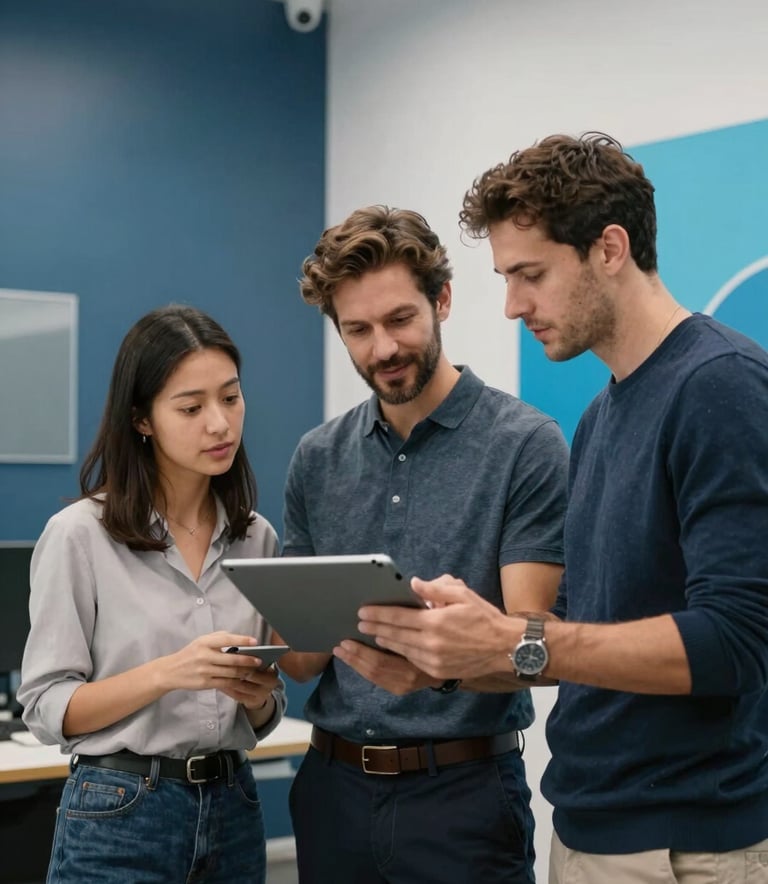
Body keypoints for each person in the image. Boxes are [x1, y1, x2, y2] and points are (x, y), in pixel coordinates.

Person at [356, 134, 768, 884]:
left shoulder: (720, 386)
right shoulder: (600, 416)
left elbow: (735, 642)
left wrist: (516, 641)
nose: (514, 305)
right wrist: (455, 657)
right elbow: (578, 626)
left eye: (530, 275)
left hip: (690, 847)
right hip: (586, 829)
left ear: (610, 248)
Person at [277, 205, 569, 883]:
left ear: (441, 301)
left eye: (400, 319)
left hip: (462, 798)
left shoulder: (525, 446)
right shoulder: (315, 458)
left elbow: (539, 642)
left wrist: (445, 660)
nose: (382, 349)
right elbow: (299, 663)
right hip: (332, 790)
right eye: (358, 330)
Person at [18, 304, 286, 884]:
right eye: (191, 408)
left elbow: (262, 716)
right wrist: (171, 672)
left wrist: (257, 695)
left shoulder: (257, 536)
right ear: (142, 419)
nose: (219, 424)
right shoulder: (79, 535)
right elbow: (45, 707)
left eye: (231, 398)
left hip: (234, 804)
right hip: (120, 809)